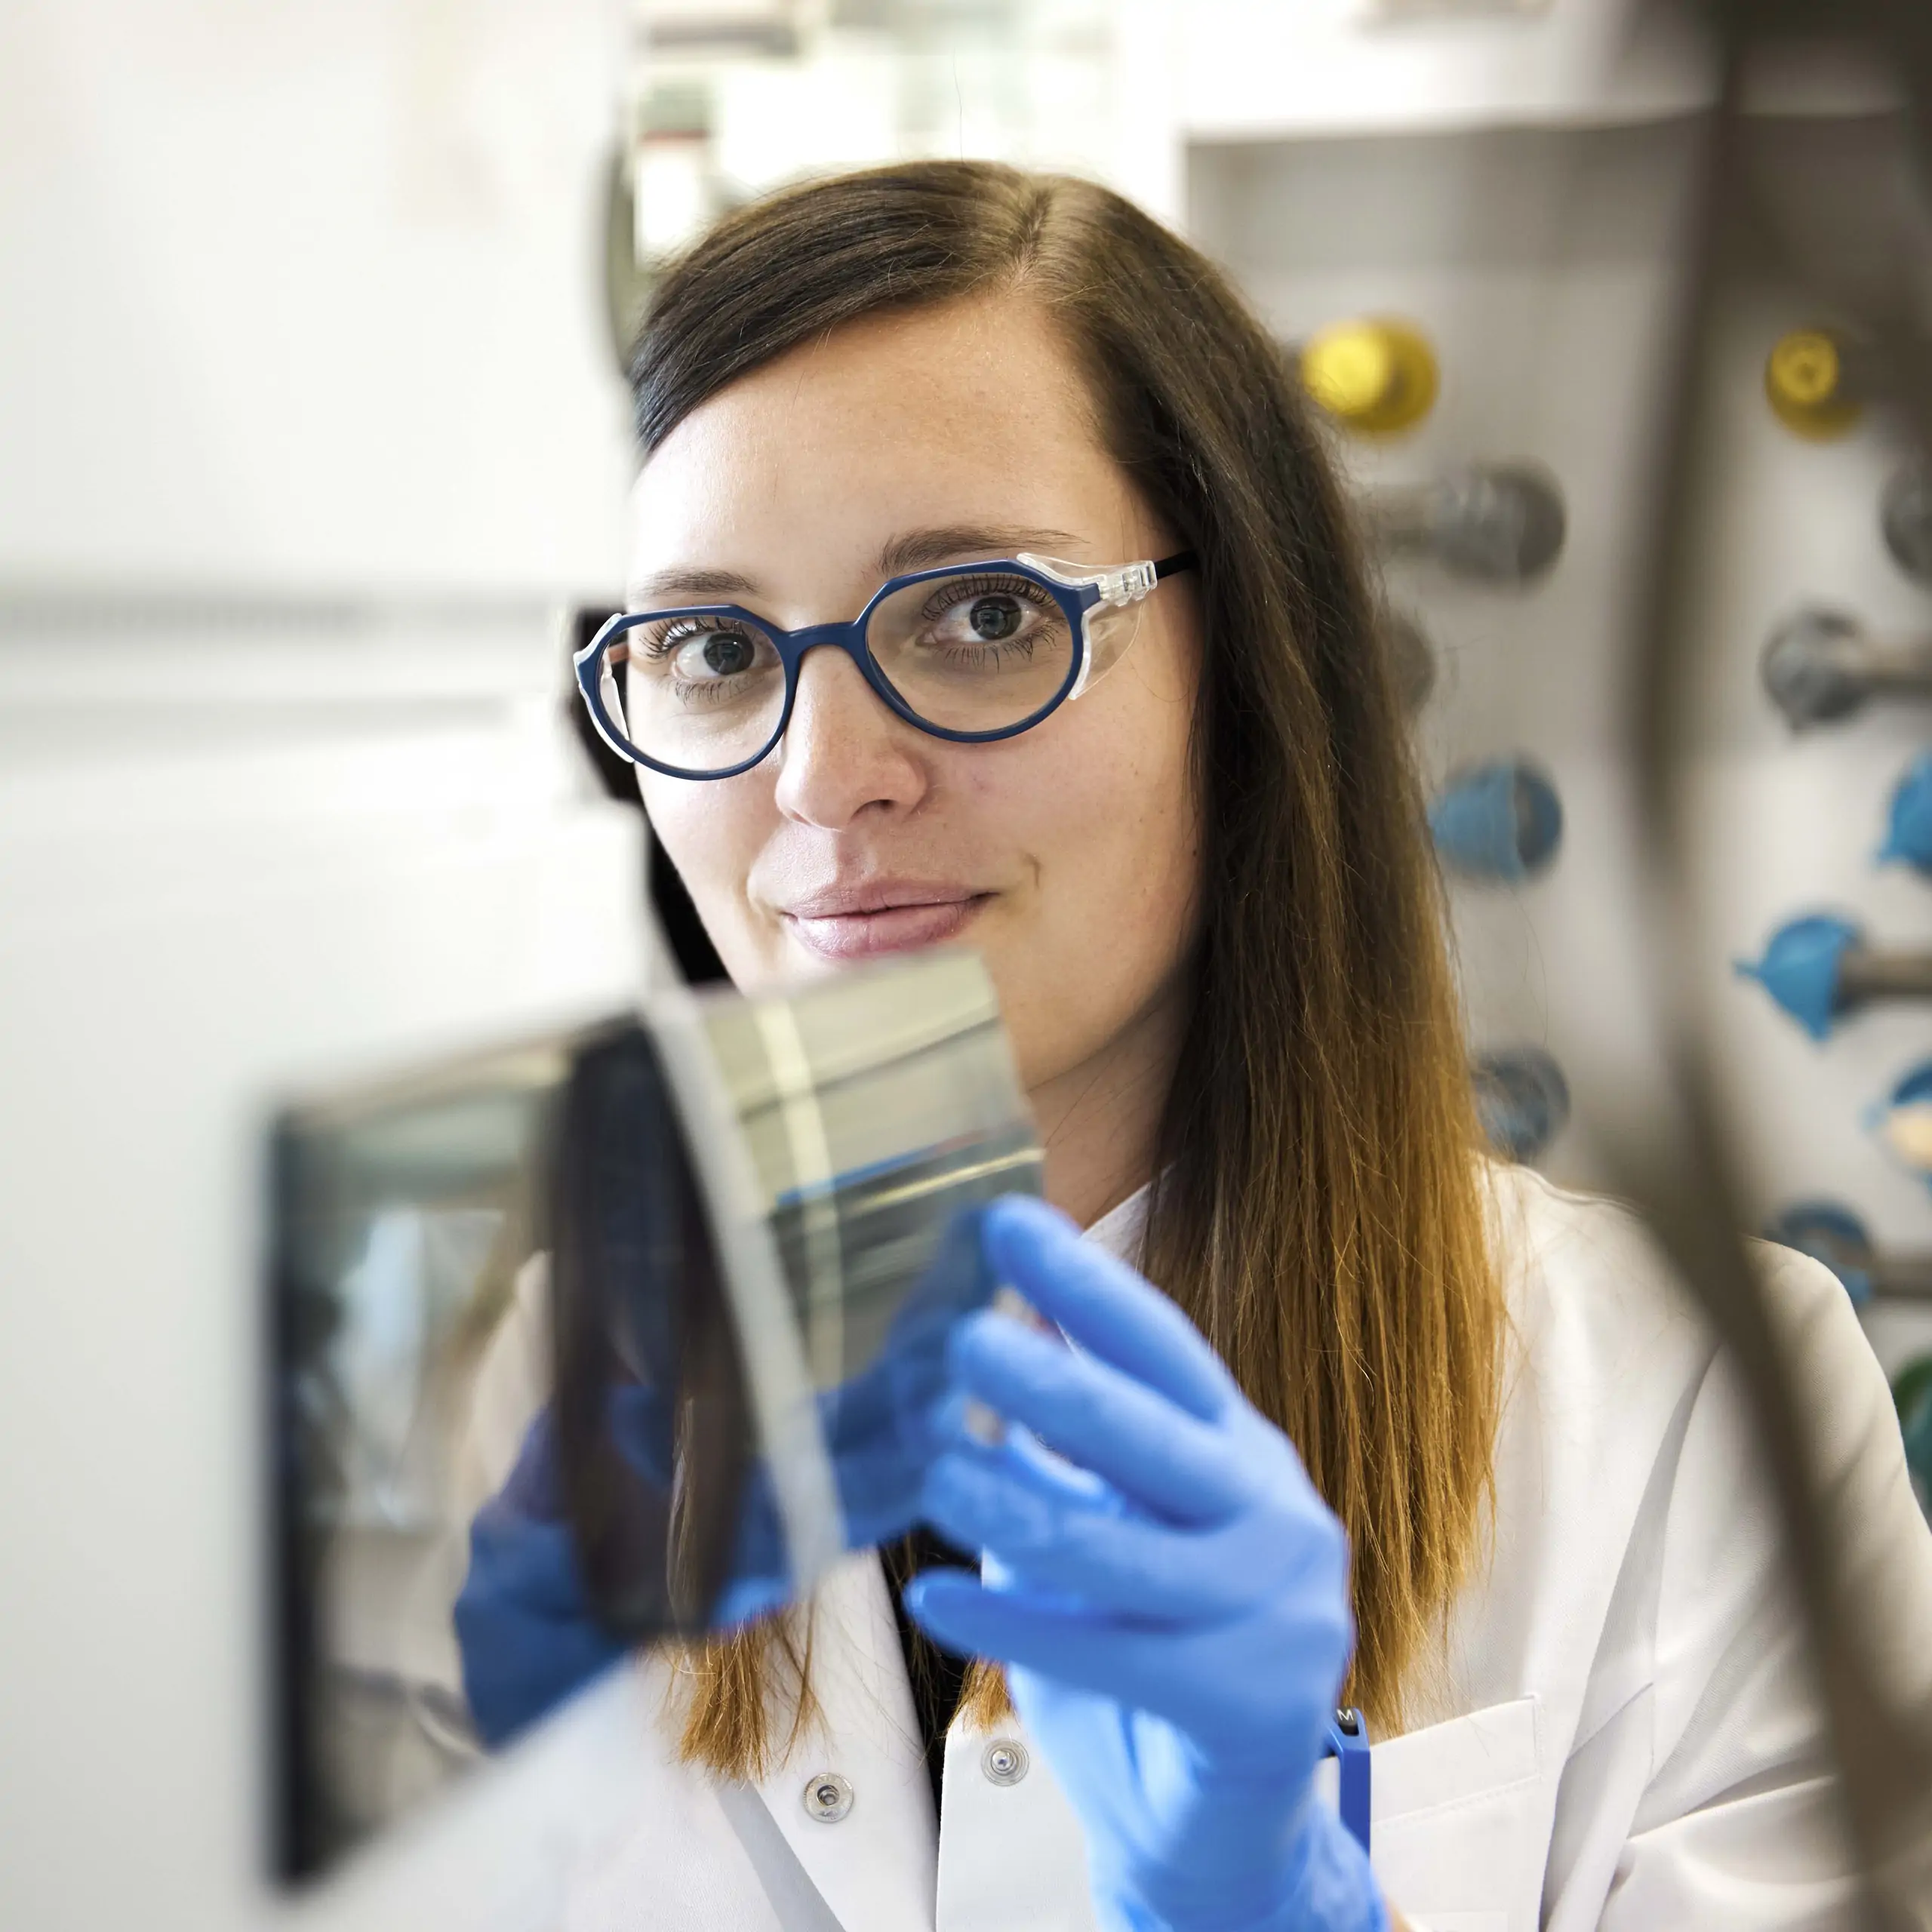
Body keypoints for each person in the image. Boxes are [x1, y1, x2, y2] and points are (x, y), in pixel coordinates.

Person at [452, 160, 1932, 1930]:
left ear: (1244, 669)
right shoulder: (513, 1407)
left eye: (983, 614)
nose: (820, 776)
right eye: (708, 645)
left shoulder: (1692, 1409)